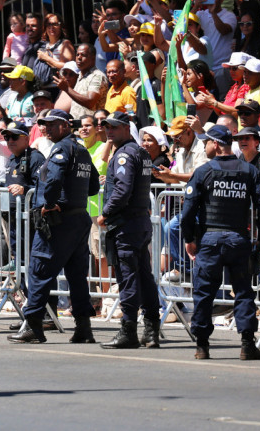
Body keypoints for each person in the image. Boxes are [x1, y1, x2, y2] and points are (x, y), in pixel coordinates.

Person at [180, 124, 260, 360]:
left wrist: (189, 239)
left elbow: (188, 210)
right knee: (243, 292)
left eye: (206, 142)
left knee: (204, 292)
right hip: (238, 239)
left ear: (216, 144)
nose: (204, 146)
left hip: (210, 239)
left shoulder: (203, 172)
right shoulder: (249, 172)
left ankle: (202, 346)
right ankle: (246, 345)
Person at [8, 109, 99, 344]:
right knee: (77, 276)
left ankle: (34, 328)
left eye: (51, 124)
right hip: (78, 218)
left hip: (60, 221)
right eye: (44, 124)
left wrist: (49, 203)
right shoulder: (81, 150)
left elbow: (55, 179)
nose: (46, 128)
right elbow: (93, 187)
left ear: (65, 126)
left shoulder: (61, 149)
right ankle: (83, 328)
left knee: (39, 271)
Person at [96, 112, 160, 349]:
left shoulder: (124, 154)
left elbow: (122, 191)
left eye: (114, 127)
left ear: (126, 128)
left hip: (127, 224)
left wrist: (107, 214)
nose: (109, 132)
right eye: (106, 127)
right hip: (139, 222)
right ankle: (152, 330)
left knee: (128, 277)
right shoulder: (140, 152)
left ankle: (129, 330)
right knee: (144, 276)